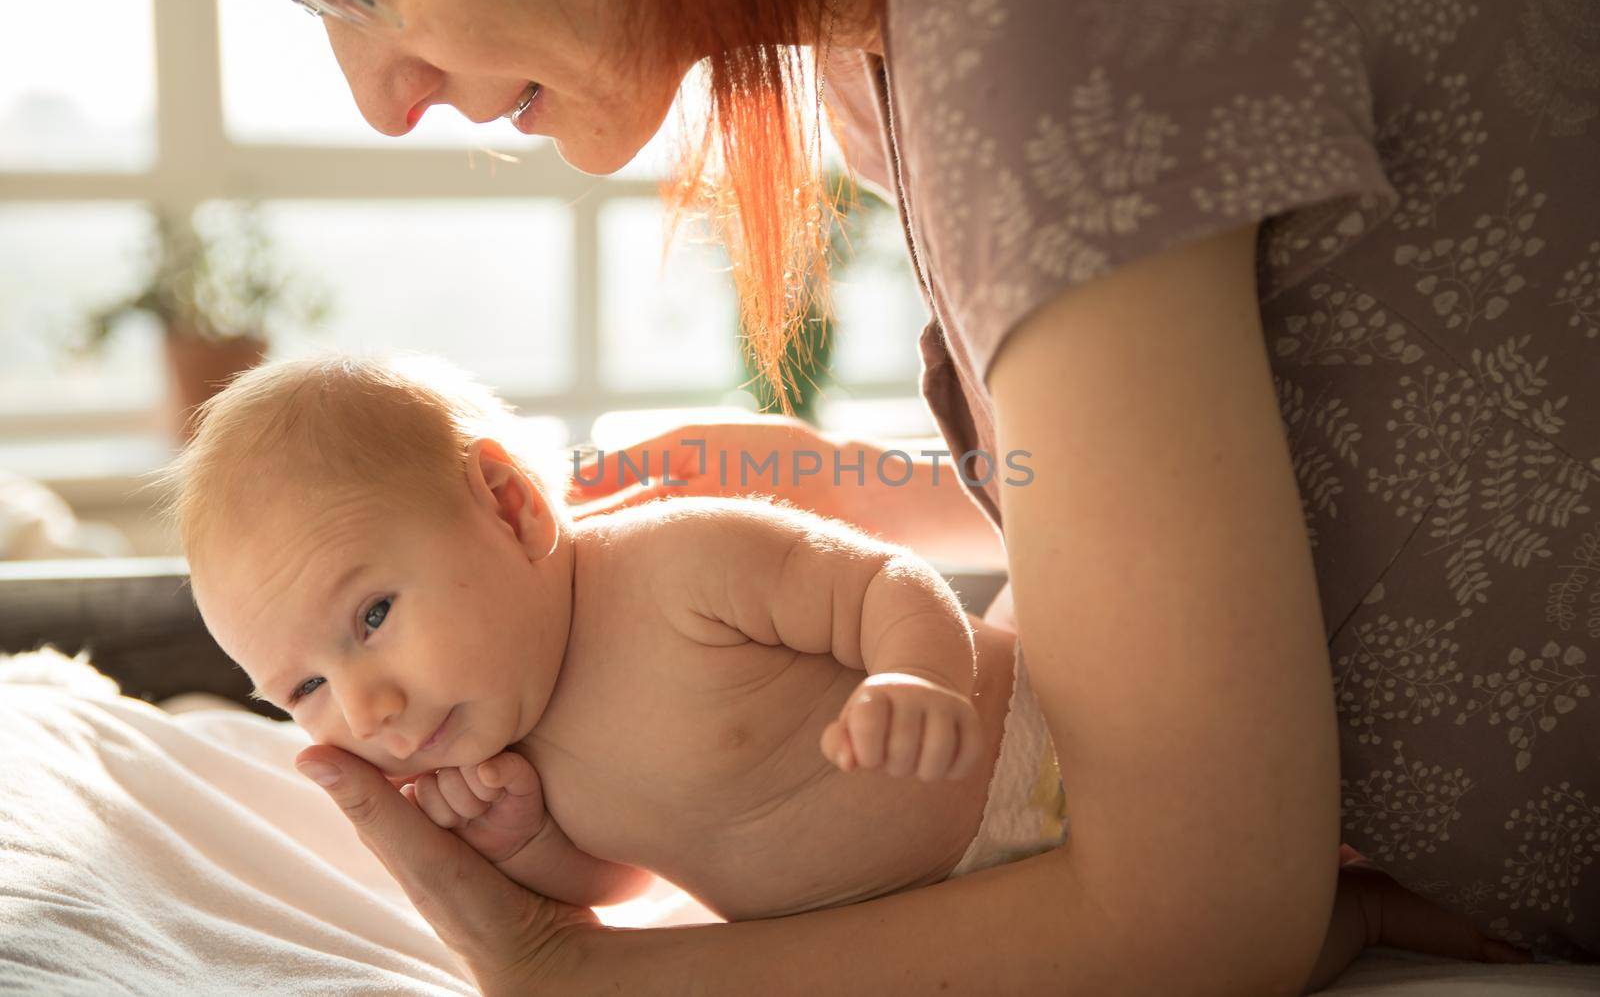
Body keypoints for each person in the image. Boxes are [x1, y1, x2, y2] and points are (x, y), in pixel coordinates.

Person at [219, 0, 1600, 991]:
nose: (377, 98)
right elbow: (1268, 482)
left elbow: (1206, 914)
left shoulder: (1035, 4)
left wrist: (581, 974)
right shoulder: (881, 52)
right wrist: (855, 482)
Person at [155, 350, 1521, 991]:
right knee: (1276, 946)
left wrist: (914, 678)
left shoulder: (670, 560)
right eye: (308, 691)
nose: (370, 710)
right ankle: (1385, 921)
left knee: (1323, 793)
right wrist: (529, 849)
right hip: (1008, 905)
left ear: (508, 507)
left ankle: (1431, 871)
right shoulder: (507, 752)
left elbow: (880, 583)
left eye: (374, 613)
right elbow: (624, 883)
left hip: (1075, 734)